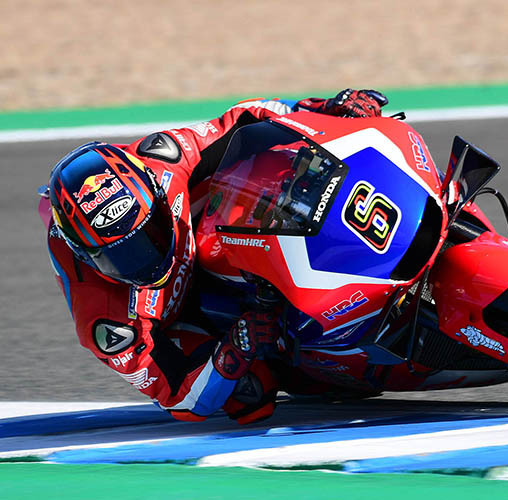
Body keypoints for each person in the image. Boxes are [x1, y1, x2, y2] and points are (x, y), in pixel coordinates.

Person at [42, 89, 389, 424]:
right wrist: (234, 350)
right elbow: (179, 397)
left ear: (158, 196)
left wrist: (325, 107)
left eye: (152, 232)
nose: (147, 259)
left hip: (215, 229)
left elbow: (248, 119)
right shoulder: (107, 322)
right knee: (249, 395)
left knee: (278, 162)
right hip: (190, 316)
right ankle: (324, 360)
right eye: (121, 256)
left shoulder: (164, 160)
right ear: (86, 257)